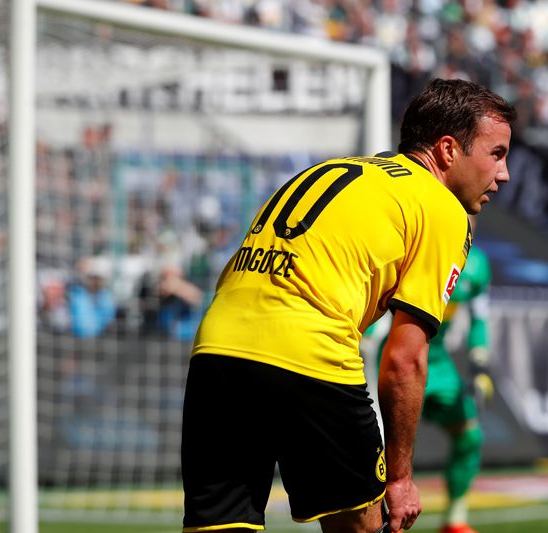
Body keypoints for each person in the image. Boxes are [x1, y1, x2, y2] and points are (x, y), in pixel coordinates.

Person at [181, 78, 515, 533]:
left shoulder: (332, 170)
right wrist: (400, 478)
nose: (504, 173)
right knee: (361, 526)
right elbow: (404, 358)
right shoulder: (441, 207)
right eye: (496, 154)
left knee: (220, 525)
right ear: (448, 150)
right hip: (309, 352)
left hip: (216, 350)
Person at [365, 242, 493, 533]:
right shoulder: (421, 242)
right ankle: (379, 524)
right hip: (397, 355)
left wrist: (480, 362)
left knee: (469, 436)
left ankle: (455, 520)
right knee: (378, 449)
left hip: (438, 361)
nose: (491, 193)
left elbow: (479, 318)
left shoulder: (478, 264)